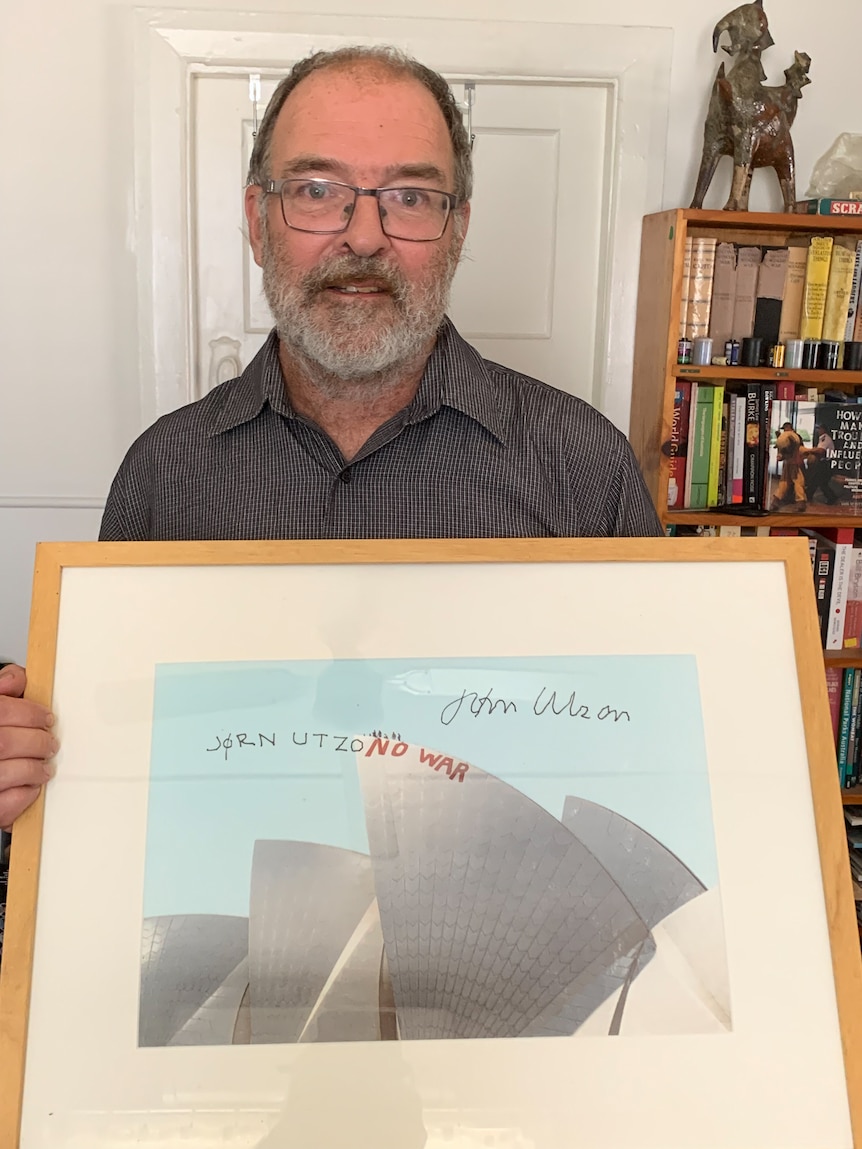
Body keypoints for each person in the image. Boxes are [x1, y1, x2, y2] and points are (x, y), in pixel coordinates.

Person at [0, 45, 662, 830]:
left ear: (455, 232)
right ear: (256, 222)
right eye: (317, 191)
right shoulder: (163, 472)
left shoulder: (584, 466)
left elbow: (655, 753)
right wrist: (41, 761)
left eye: (411, 197)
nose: (364, 236)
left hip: (499, 932)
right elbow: (119, 754)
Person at [769, 421, 807, 511]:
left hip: (794, 462)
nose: (784, 430)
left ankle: (777, 501)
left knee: (789, 482)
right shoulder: (791, 437)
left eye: (785, 428)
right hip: (790, 462)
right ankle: (798, 502)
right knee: (792, 482)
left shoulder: (792, 437)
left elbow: (798, 450)